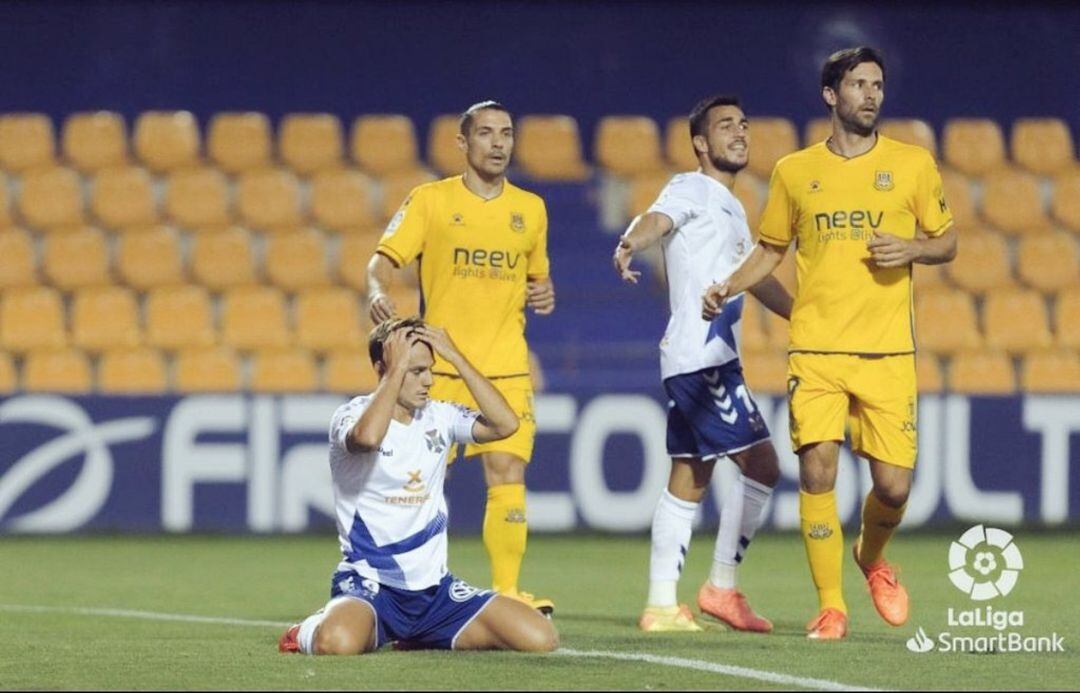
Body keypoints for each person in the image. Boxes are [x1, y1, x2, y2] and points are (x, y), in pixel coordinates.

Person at [702, 47, 957, 640]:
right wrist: (727, 286)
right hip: (815, 350)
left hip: (888, 350)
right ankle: (831, 606)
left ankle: (871, 557)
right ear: (830, 95)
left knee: (893, 486)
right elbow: (770, 250)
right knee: (818, 472)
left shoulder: (913, 164)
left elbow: (946, 241)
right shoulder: (795, 171)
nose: (871, 95)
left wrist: (912, 248)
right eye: (859, 85)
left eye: (877, 85)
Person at [365, 101, 555, 614]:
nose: (498, 143)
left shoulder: (531, 210)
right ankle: (410, 586)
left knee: (507, 470)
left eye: (507, 133)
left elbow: (537, 279)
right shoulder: (429, 201)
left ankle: (509, 592)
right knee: (425, 480)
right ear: (463, 143)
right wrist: (374, 289)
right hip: (440, 368)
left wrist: (545, 293)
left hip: (506, 366)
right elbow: (380, 263)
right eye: (487, 133)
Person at [613, 95, 793, 633]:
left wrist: (805, 316)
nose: (740, 132)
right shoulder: (691, 187)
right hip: (703, 358)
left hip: (697, 358)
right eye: (725, 125)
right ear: (700, 143)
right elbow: (657, 219)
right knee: (763, 467)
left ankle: (661, 604)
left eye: (744, 123)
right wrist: (629, 242)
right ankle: (721, 587)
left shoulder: (733, 206)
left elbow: (756, 276)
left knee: (689, 477)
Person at [278, 317, 559, 655]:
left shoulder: (439, 416)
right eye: (416, 371)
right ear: (383, 367)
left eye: (431, 369)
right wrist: (396, 372)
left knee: (540, 638)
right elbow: (366, 438)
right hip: (371, 586)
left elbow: (505, 424)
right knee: (337, 643)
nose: (428, 380)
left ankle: (417, 635)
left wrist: (455, 357)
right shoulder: (351, 415)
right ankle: (305, 630)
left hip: (435, 593)